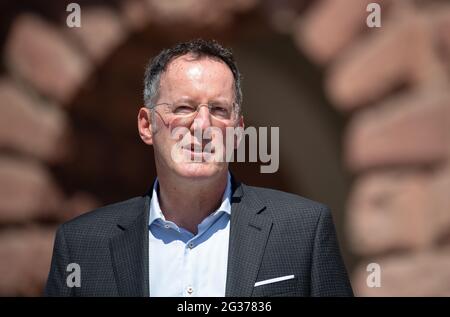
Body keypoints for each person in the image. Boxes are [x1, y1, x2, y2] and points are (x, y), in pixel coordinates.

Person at [44, 39, 353, 297]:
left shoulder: (303, 231)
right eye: (184, 108)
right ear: (146, 125)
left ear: (237, 132)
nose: (203, 125)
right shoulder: (82, 247)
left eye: (218, 109)